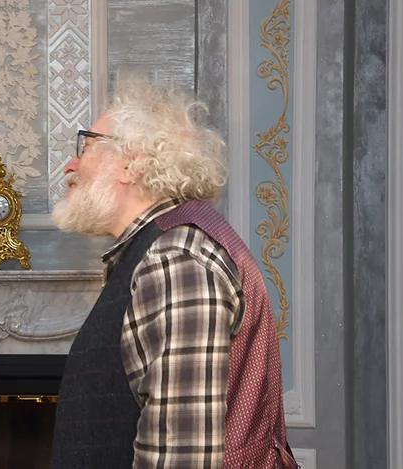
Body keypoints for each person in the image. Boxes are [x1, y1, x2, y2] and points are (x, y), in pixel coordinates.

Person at [49, 76, 297, 469]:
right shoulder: (158, 248)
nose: (71, 165)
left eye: (88, 146)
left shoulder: (176, 258)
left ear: (132, 162)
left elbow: (182, 455)